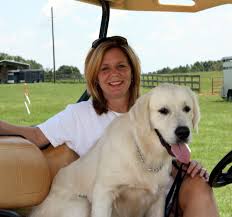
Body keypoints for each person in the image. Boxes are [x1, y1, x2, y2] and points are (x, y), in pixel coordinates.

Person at [0, 36, 219, 217]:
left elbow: (163, 158)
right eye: (104, 69)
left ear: (132, 71)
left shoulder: (156, 105)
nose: (114, 74)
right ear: (95, 77)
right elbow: (38, 135)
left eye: (121, 66)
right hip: (92, 202)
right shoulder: (79, 114)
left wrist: (187, 165)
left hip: (153, 200)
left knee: (200, 186)